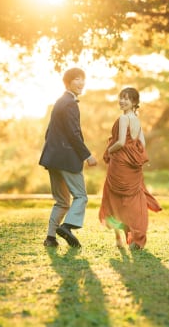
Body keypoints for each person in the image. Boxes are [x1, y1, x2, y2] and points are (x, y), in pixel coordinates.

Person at [39, 67, 98, 248]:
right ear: (68, 82)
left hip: (53, 159)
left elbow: (48, 133)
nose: (81, 83)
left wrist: (54, 151)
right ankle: (66, 226)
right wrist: (87, 155)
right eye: (77, 79)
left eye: (83, 79)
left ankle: (50, 238)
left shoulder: (59, 102)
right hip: (66, 158)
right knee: (80, 196)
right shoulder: (70, 103)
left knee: (62, 201)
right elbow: (74, 133)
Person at [99, 87, 161, 250]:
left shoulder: (124, 118)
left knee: (114, 199)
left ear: (134, 102)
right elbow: (142, 143)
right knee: (132, 200)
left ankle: (119, 238)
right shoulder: (137, 120)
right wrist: (134, 156)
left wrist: (108, 150)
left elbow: (119, 142)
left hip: (120, 163)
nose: (122, 101)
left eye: (126, 98)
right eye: (121, 97)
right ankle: (134, 235)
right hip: (132, 165)